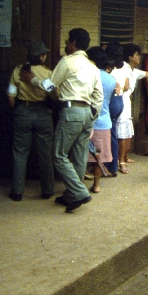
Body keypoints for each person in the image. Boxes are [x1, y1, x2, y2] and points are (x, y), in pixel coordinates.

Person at [51, 28, 103, 213]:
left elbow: (51, 84)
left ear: (73, 43)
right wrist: (92, 114)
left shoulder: (67, 61)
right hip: (87, 113)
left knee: (59, 155)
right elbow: (99, 95)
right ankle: (71, 194)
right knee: (80, 156)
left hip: (71, 111)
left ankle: (79, 192)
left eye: (67, 41)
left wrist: (34, 80)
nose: (66, 44)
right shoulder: (92, 66)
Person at [7, 41, 55, 201]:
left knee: (20, 153)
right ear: (41, 57)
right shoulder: (48, 73)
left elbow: (11, 94)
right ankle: (47, 190)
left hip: (23, 111)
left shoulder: (18, 71)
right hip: (43, 113)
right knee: (45, 154)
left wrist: (18, 110)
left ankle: (17, 191)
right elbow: (53, 93)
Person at [116, 44, 148, 174]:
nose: (139, 57)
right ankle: (120, 161)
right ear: (129, 57)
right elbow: (124, 87)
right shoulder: (123, 68)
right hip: (121, 101)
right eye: (137, 55)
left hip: (127, 102)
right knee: (122, 133)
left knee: (127, 132)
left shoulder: (134, 70)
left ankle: (125, 156)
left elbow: (147, 73)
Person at [86, 47, 119, 194]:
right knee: (99, 154)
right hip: (103, 120)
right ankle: (96, 184)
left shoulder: (86, 74)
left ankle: (78, 185)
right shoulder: (111, 79)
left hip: (86, 119)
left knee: (81, 154)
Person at [105, 43, 125, 176]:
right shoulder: (123, 67)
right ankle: (113, 164)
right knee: (113, 134)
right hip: (120, 100)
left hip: (111, 100)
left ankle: (111, 166)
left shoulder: (109, 68)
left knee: (110, 135)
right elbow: (127, 86)